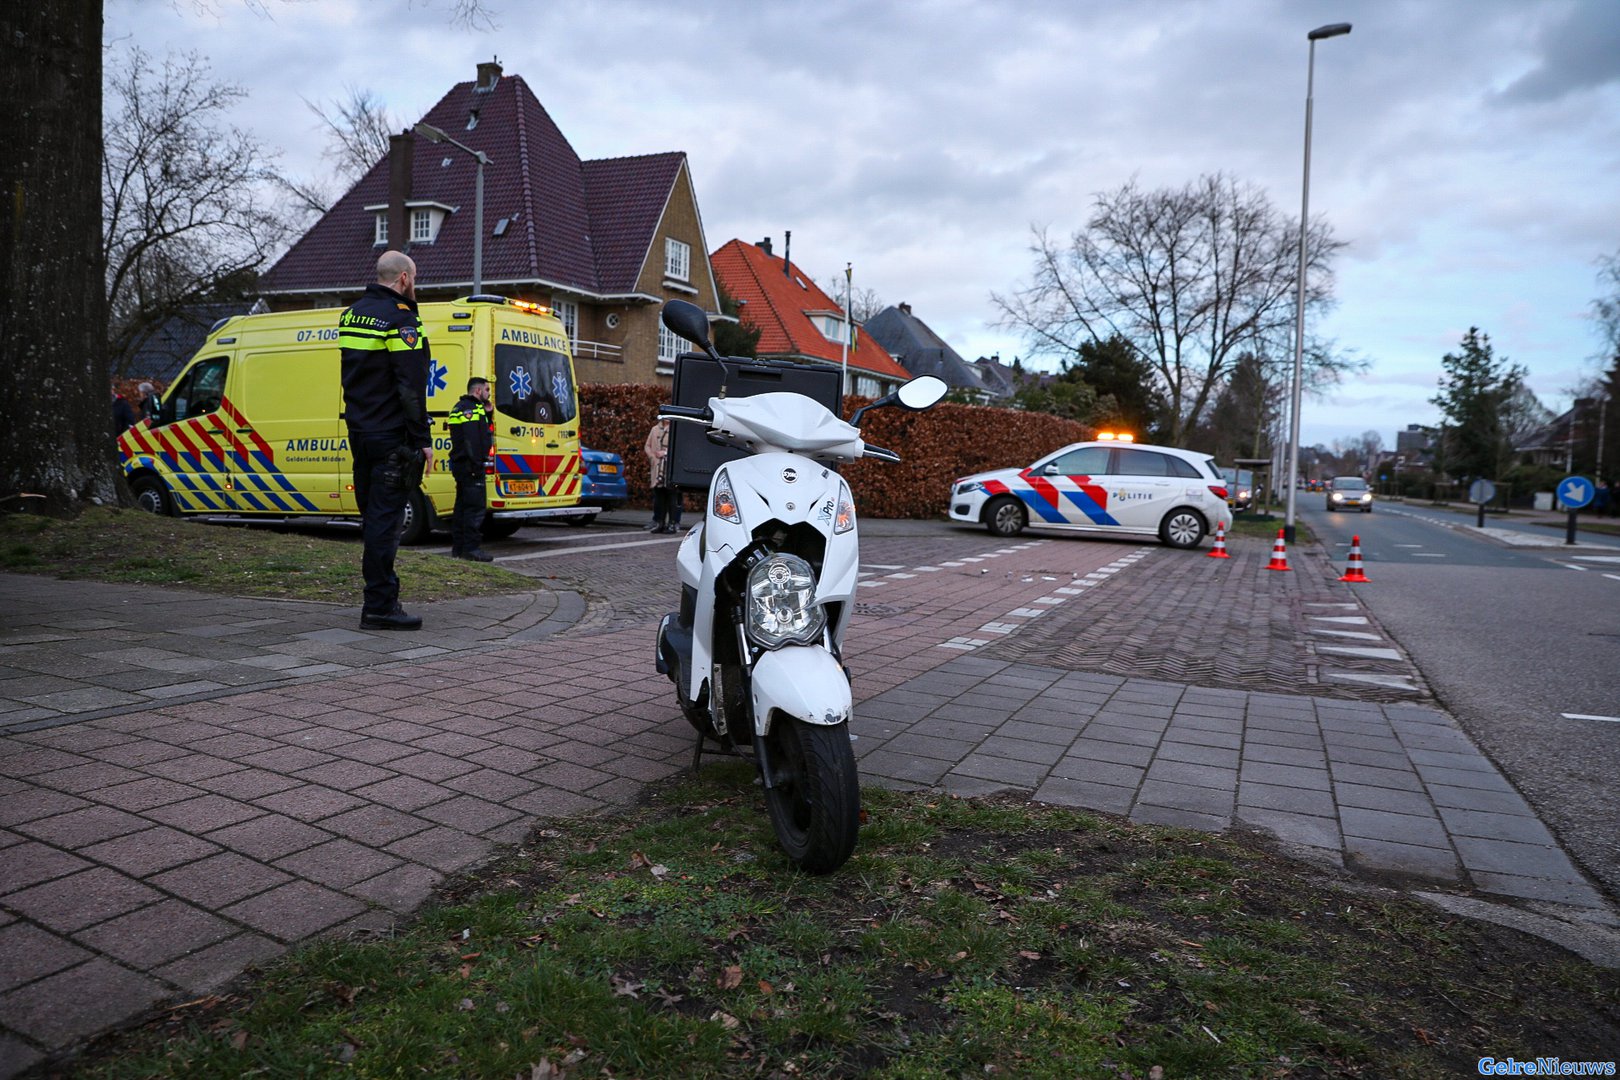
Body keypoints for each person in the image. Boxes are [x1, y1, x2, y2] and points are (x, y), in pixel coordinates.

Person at [339, 250, 433, 631]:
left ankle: (379, 599)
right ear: (405, 279)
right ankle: (380, 605)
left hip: (359, 431)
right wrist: (423, 438)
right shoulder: (402, 319)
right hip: (390, 435)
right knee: (384, 522)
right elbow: (410, 386)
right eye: (416, 279)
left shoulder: (351, 315)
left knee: (372, 517)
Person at [446, 376, 495, 562]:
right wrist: (476, 464)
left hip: (462, 465)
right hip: (470, 465)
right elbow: (472, 439)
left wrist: (488, 414)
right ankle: (471, 549)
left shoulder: (460, 407)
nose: (488, 393)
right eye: (487, 390)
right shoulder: (471, 409)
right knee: (474, 509)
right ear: (477, 391)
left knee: (461, 509)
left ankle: (458, 549)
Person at [643, 418, 683, 533]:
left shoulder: (677, 430)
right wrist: (652, 457)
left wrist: (665, 453)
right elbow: (647, 445)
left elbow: (680, 447)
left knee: (673, 496)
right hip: (657, 468)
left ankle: (673, 523)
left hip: (671, 468)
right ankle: (659, 522)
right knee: (659, 496)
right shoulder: (654, 429)